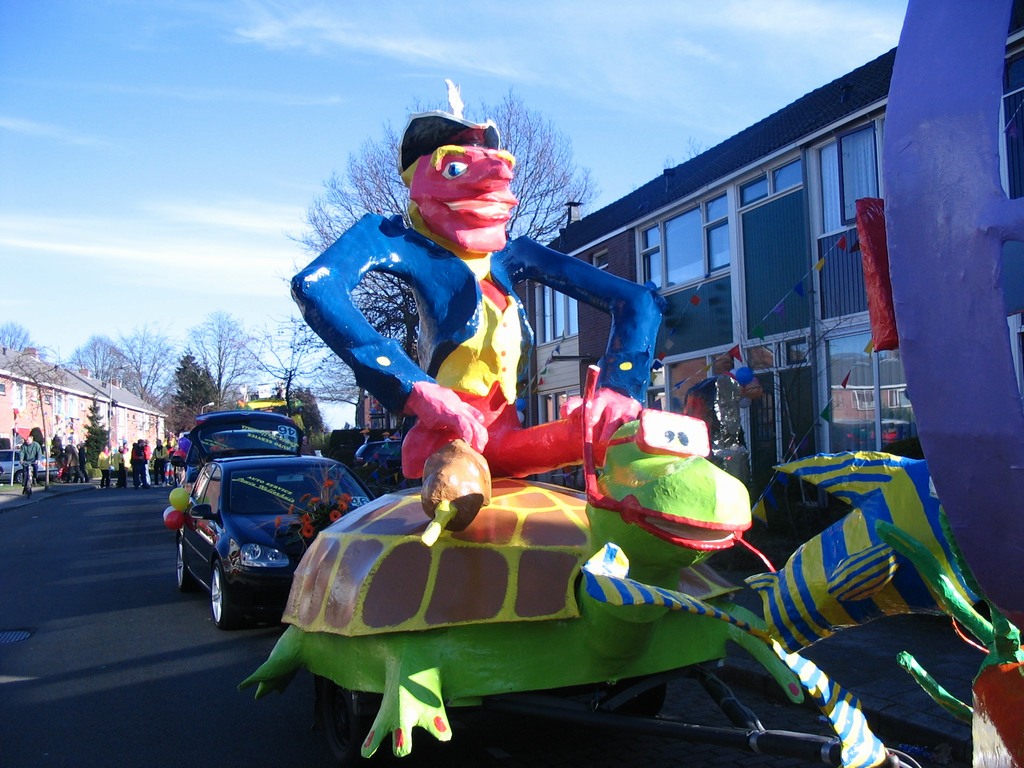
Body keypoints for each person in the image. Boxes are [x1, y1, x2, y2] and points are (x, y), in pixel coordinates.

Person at [291, 93, 663, 483]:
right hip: (445, 442)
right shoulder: (395, 241)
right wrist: (414, 387)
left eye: (502, 167)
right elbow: (316, 287)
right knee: (456, 485)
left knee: (618, 438)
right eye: (454, 166)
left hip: (508, 439)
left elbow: (638, 301)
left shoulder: (513, 257)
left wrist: (618, 386)